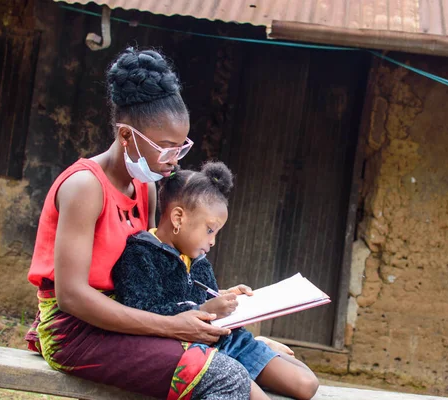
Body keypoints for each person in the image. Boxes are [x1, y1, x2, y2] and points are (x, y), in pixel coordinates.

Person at [25, 47, 254, 399]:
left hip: (132, 313)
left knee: (243, 369)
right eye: (165, 148)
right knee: (225, 376)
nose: (174, 162)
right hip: (76, 331)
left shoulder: (144, 186)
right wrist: (170, 327)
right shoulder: (85, 187)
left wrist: (207, 307)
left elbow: (155, 269)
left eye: (181, 148)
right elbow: (71, 297)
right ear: (126, 136)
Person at [112, 161, 320, 400]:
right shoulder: (140, 254)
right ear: (178, 218)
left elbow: (200, 293)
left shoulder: (197, 258)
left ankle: (265, 344)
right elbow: (141, 311)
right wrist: (202, 310)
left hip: (227, 339)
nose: (213, 242)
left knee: (307, 385)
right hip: (195, 349)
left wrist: (224, 296)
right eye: (210, 230)